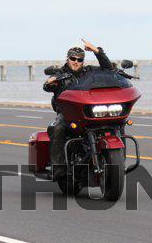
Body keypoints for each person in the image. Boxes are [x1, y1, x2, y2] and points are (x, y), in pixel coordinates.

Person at [42, 38, 113, 179]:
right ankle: (58, 168)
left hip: (88, 111)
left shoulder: (89, 72)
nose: (76, 62)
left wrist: (96, 50)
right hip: (68, 114)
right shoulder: (60, 74)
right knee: (57, 128)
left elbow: (108, 69)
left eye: (80, 60)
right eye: (73, 59)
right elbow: (47, 86)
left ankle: (113, 161)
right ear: (68, 59)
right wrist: (50, 83)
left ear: (83, 61)